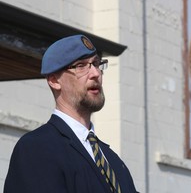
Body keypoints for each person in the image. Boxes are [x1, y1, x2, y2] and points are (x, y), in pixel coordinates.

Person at [4, 35, 138, 193]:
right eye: (81, 66)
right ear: (54, 80)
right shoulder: (37, 148)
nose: (95, 73)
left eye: (96, 63)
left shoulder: (112, 161)